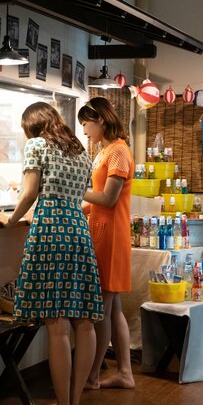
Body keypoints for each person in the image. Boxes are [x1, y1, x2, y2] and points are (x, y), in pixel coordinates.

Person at [0, 102, 103, 405]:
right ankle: (75, 404)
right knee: (85, 320)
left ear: (33, 125)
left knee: (56, 323)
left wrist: (9, 220)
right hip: (79, 232)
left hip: (51, 232)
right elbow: (80, 196)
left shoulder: (37, 145)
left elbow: (28, 194)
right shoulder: (81, 151)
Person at [78, 97, 135, 390]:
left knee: (101, 308)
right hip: (103, 231)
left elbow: (109, 199)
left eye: (86, 123)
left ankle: (92, 375)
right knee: (113, 309)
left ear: (100, 119)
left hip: (111, 236)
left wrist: (75, 190)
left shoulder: (118, 152)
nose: (85, 130)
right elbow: (99, 200)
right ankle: (124, 372)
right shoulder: (105, 151)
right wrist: (78, 207)